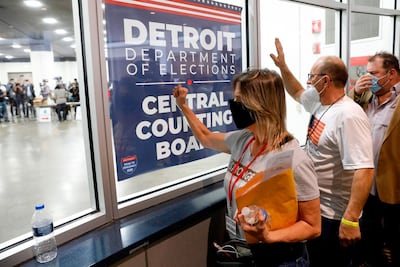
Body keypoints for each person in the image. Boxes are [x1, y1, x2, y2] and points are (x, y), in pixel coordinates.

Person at [173, 68, 321, 267]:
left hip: (280, 258)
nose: (234, 106)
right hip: (243, 251)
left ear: (259, 105)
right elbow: (206, 137)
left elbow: (312, 226)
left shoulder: (293, 159)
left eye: (239, 100)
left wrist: (269, 236)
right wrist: (183, 106)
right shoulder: (242, 140)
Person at [270, 38, 375, 267]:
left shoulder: (349, 115)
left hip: (335, 217)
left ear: (325, 81)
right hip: (317, 208)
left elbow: (364, 169)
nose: (308, 81)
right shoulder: (320, 102)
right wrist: (283, 67)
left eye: (312, 76)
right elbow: (296, 91)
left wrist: (351, 218)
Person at [349, 52, 400, 267]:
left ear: (391, 73)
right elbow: (344, 109)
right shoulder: (366, 97)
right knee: (369, 236)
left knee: (395, 235)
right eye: (366, 73)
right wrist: (355, 92)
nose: (368, 78)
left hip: (393, 182)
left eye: (373, 73)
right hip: (367, 184)